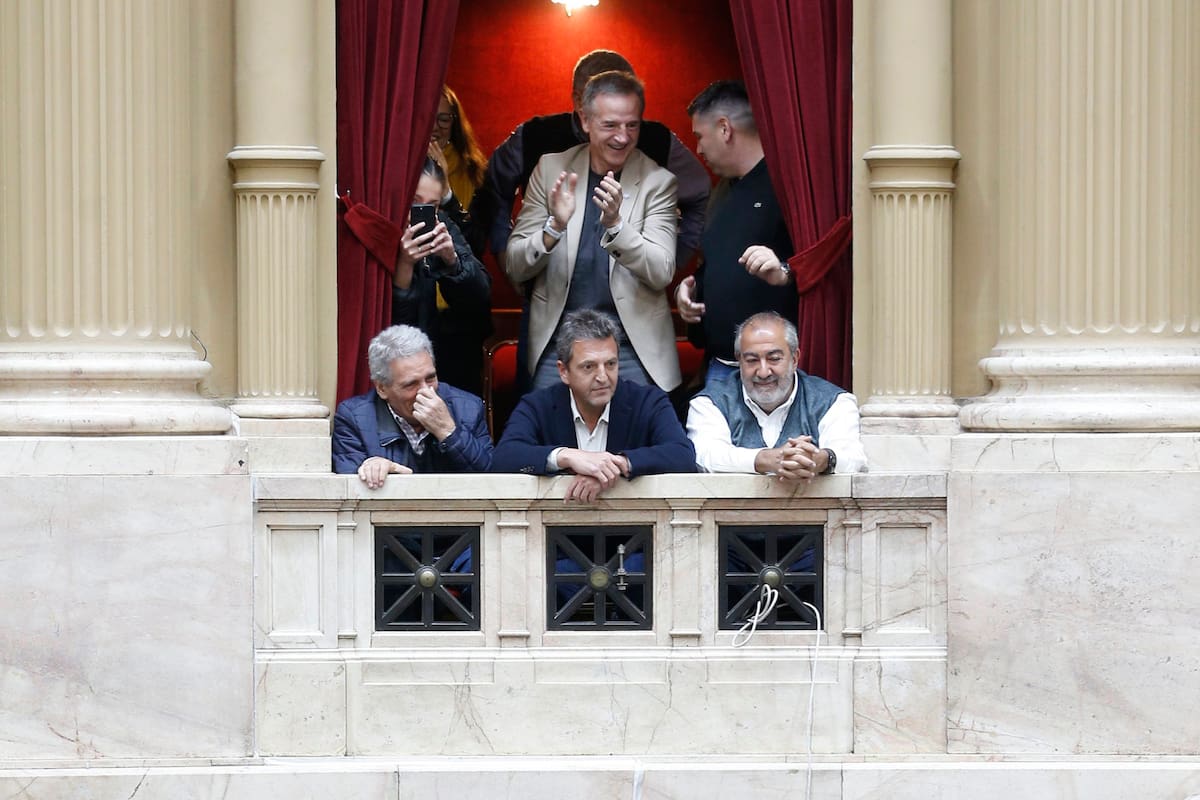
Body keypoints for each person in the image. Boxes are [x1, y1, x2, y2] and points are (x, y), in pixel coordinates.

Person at [505, 71, 680, 393]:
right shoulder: (551, 170)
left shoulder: (658, 182)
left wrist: (616, 225)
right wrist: (553, 226)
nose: (623, 137)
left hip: (630, 346)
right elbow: (516, 265)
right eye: (610, 125)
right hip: (561, 343)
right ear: (584, 120)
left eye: (632, 125)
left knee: (636, 441)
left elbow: (661, 271)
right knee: (551, 438)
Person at [471, 49, 709, 266]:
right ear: (578, 100)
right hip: (548, 292)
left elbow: (700, 193)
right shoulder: (533, 136)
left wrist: (673, 258)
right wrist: (505, 254)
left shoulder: (658, 140)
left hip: (633, 296)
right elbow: (492, 191)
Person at [490, 309, 696, 503]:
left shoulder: (648, 401)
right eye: (589, 366)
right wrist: (566, 456)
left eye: (610, 364)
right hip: (555, 532)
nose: (602, 377)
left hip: (630, 533)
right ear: (563, 371)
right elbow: (504, 458)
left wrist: (615, 465)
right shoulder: (537, 405)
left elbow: (682, 456)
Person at [675, 80, 798, 387]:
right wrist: (690, 295)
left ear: (725, 129)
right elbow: (717, 262)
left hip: (773, 371)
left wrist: (785, 270)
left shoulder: (789, 187)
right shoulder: (720, 191)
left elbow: (814, 264)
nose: (699, 148)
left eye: (700, 136)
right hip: (720, 366)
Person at [686, 312, 866, 479]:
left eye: (774, 359)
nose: (763, 372)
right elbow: (706, 456)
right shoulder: (710, 402)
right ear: (739, 360)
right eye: (752, 360)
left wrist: (820, 460)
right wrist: (766, 459)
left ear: (795, 359)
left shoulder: (834, 401)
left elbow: (852, 458)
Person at [333, 325, 493, 487]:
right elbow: (348, 488)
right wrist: (378, 470)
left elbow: (492, 479)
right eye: (411, 384)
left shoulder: (468, 408)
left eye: (430, 378)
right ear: (382, 388)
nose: (426, 390)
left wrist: (449, 432)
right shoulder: (353, 418)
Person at [393, 155, 492, 395]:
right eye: (414, 202)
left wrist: (452, 260)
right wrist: (405, 265)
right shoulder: (384, 226)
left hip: (435, 352)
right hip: (393, 361)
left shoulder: (440, 226)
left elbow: (482, 295)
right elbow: (397, 325)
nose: (421, 213)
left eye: (432, 206)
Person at [430, 85, 488, 210]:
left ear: (454, 125)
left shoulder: (474, 170)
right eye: (427, 118)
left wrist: (446, 194)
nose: (434, 127)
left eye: (444, 120)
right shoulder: (396, 167)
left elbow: (474, 228)